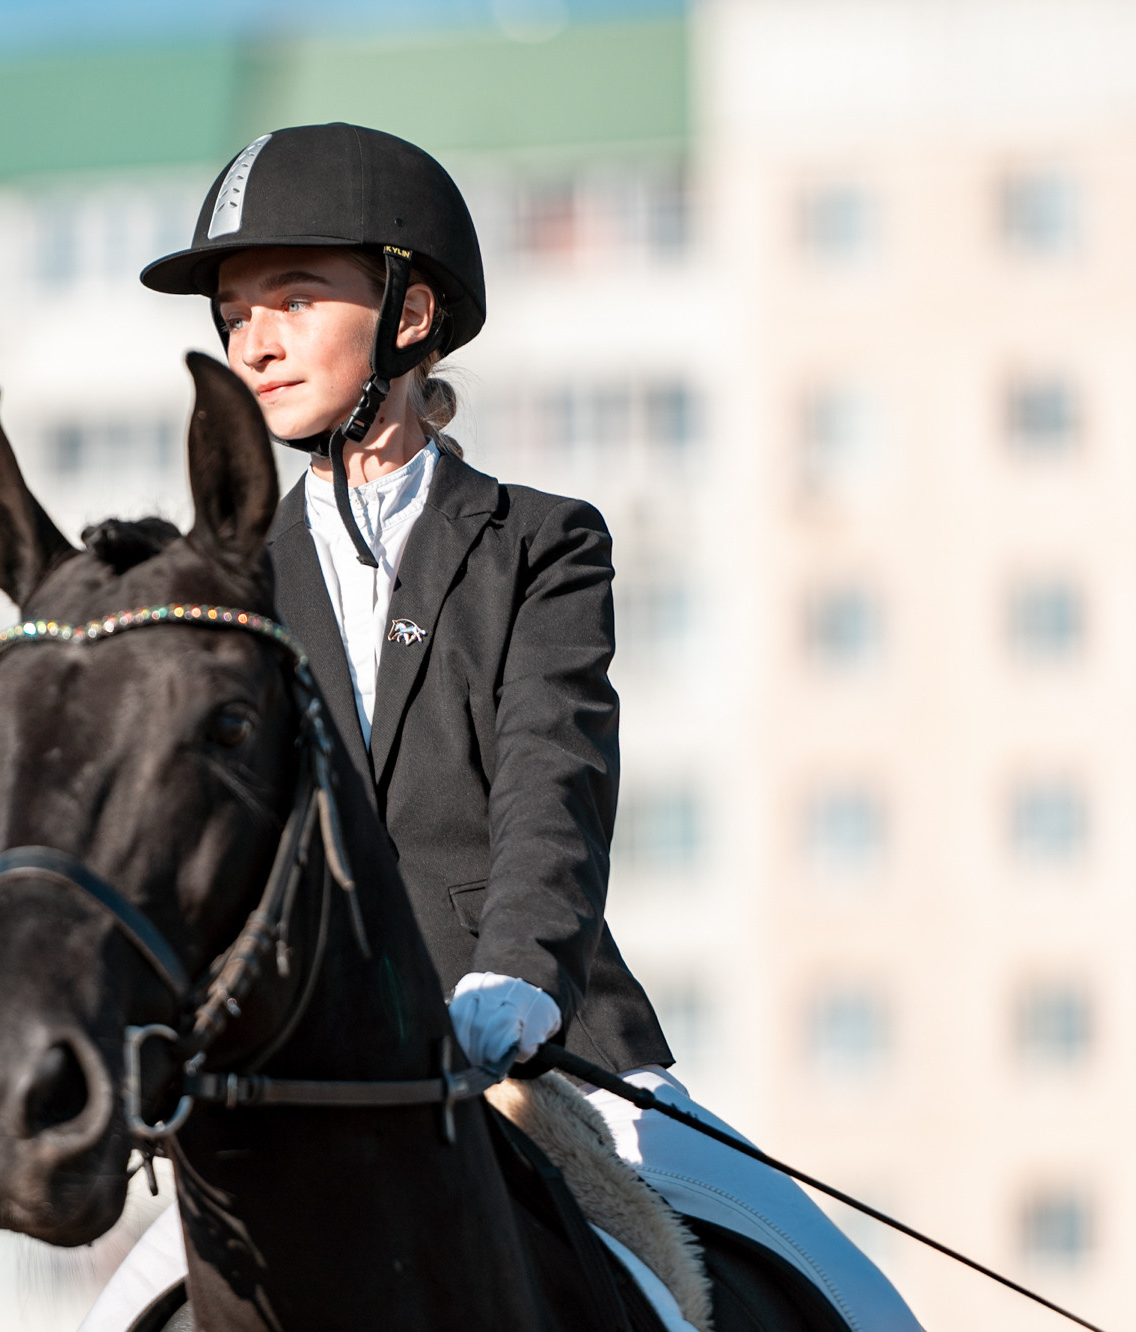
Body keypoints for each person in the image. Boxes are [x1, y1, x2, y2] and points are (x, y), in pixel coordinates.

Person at [78, 122, 921, 1332]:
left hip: (541, 1043)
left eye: (292, 299)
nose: (248, 344)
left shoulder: (540, 544)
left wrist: (518, 975)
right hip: (303, 1081)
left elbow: (553, 777)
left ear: (408, 313)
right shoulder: (226, 587)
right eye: (229, 314)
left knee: (853, 1299)